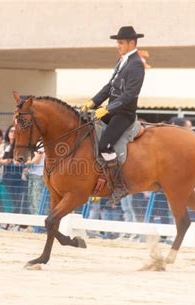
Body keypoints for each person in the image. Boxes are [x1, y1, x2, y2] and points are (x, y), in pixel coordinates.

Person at [81, 26, 145, 206]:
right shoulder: (122, 61)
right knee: (87, 131)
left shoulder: (137, 65)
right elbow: (109, 87)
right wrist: (92, 102)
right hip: (112, 110)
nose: (118, 45)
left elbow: (129, 95)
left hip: (124, 113)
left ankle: (119, 185)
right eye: (117, 42)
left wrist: (107, 108)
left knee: (105, 145)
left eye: (121, 42)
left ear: (132, 43)